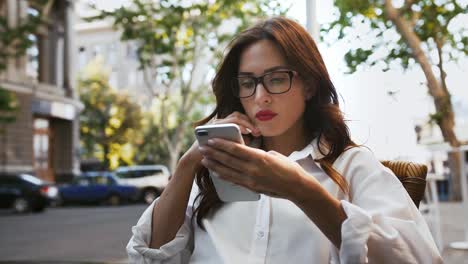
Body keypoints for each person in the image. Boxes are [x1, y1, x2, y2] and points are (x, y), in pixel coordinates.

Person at [127, 17, 442, 263]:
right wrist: (186, 167)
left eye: (277, 79)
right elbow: (150, 256)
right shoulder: (217, 168)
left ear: (308, 85)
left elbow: (418, 259)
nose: (260, 96)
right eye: (248, 83)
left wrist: (300, 189)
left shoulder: (353, 166)